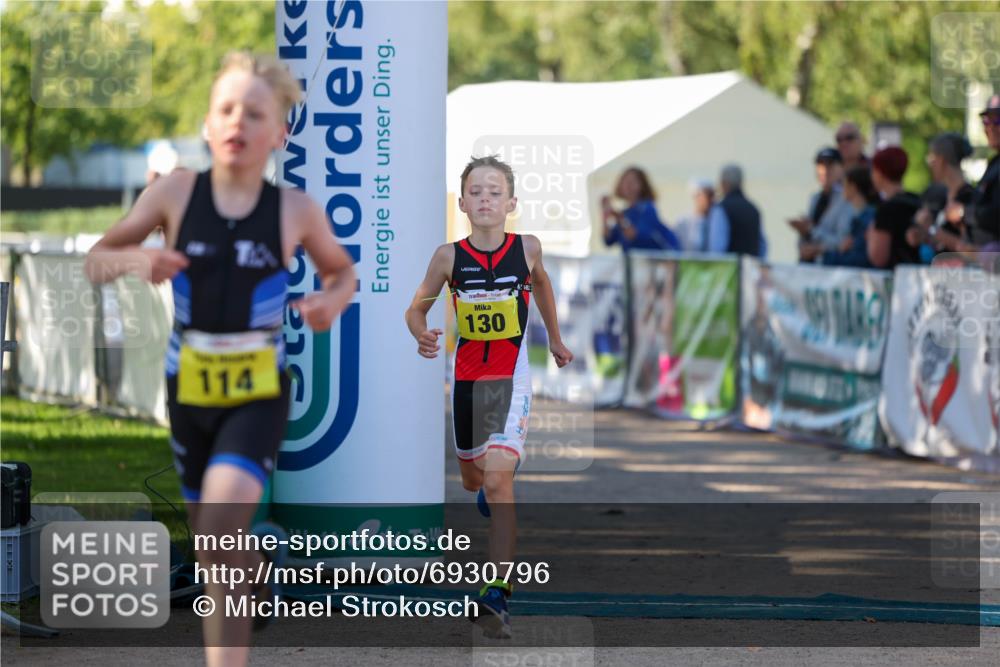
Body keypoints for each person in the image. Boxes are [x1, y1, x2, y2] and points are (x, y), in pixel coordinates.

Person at [85, 52, 356, 667]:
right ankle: (256, 567)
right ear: (208, 125)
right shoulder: (175, 194)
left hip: (258, 392)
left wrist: (329, 303)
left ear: (278, 133)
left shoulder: (295, 210)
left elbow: (345, 275)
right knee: (214, 549)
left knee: (216, 532)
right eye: (226, 109)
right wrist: (139, 261)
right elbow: (98, 258)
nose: (238, 121)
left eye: (255, 113)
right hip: (188, 390)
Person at [406, 155, 573, 639]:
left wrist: (556, 339)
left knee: (499, 482)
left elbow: (540, 284)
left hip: (511, 381)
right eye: (475, 192)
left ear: (511, 203)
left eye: (494, 192)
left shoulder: (529, 249)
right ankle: (487, 476)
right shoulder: (447, 257)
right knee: (472, 479)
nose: (485, 199)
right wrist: (421, 332)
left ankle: (496, 591)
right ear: (461, 203)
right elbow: (415, 309)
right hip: (466, 386)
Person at [905, 133, 976, 259]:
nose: (930, 164)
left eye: (931, 158)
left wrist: (931, 229)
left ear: (941, 160)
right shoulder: (936, 194)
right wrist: (920, 235)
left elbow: (971, 249)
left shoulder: (969, 197)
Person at [792, 147, 855, 261]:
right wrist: (804, 238)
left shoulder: (847, 199)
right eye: (820, 165)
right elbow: (807, 237)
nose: (825, 170)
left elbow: (843, 241)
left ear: (842, 168)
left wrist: (811, 231)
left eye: (830, 165)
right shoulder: (815, 198)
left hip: (833, 270)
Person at [811, 166, 880, 267]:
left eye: (844, 185)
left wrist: (826, 255)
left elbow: (857, 258)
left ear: (853, 187)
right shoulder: (860, 216)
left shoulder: (866, 218)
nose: (842, 189)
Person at [866, 146, 921, 269]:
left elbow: (878, 258)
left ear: (880, 173)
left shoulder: (886, 209)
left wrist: (870, 234)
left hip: (897, 279)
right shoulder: (916, 200)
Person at [601, 167, 680, 252]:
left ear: (642, 185)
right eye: (625, 181)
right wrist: (605, 213)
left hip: (655, 261)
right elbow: (608, 241)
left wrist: (618, 217)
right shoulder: (625, 213)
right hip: (634, 262)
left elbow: (633, 234)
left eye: (632, 181)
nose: (628, 185)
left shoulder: (647, 208)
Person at [718, 163, 765, 257]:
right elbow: (762, 246)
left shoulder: (721, 208)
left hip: (729, 269)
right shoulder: (754, 209)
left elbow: (717, 246)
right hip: (751, 269)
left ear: (724, 183)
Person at [971, 94, 1000, 247]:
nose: (990, 127)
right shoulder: (994, 163)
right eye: (986, 121)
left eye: (997, 120)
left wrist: (965, 213)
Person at [674, 178, 730, 253]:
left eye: (712, 195)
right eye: (708, 195)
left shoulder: (718, 219)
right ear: (695, 196)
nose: (711, 199)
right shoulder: (683, 222)